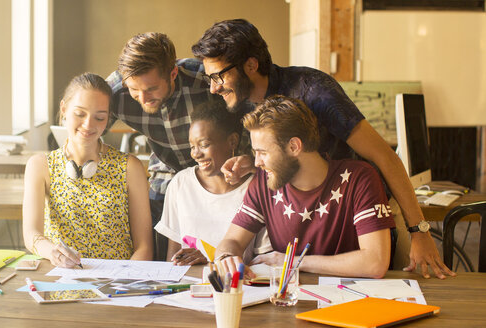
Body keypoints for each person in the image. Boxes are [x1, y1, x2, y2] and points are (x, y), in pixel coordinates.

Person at [192, 19, 455, 279]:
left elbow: (383, 155)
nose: (214, 87)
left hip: (363, 211)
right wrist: (257, 159)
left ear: (251, 65)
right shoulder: (243, 100)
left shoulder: (314, 92)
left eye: (219, 76)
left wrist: (419, 231)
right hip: (310, 222)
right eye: (210, 78)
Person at [216, 95, 395, 279]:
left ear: (294, 146)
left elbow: (376, 263)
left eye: (263, 152)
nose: (256, 162)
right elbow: (231, 240)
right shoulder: (264, 182)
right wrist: (226, 257)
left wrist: (292, 262)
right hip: (288, 300)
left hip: (349, 300)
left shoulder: (360, 179)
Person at [22, 73, 153, 268]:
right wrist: (52, 252)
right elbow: (32, 234)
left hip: (117, 283)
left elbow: (144, 247)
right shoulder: (40, 166)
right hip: (62, 277)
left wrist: (123, 280)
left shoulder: (129, 167)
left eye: (99, 117)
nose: (88, 125)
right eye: (80, 114)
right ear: (64, 109)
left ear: (108, 119)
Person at [106, 32, 215, 260]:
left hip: (213, 173)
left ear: (173, 73)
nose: (142, 99)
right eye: (134, 90)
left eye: (151, 89)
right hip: (165, 174)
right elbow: (85, 123)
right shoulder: (115, 90)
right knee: (155, 239)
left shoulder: (205, 80)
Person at [154, 101, 272, 266]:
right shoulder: (181, 183)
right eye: (192, 146)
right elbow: (173, 258)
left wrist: (211, 261)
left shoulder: (256, 188)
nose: (196, 154)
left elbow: (261, 264)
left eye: (204, 145)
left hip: (237, 286)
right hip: (188, 287)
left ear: (232, 141)